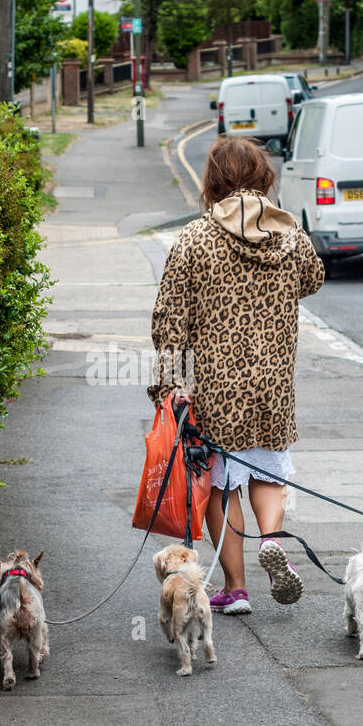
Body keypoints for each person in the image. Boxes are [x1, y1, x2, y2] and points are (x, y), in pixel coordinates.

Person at [147, 135, 324, 614]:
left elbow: (169, 322)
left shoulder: (195, 239)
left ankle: (237, 588)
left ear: (213, 181)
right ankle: (272, 540)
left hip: (214, 391)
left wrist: (167, 386)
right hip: (273, 386)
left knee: (219, 488)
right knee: (267, 474)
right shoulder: (288, 236)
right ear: (264, 178)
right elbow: (315, 278)